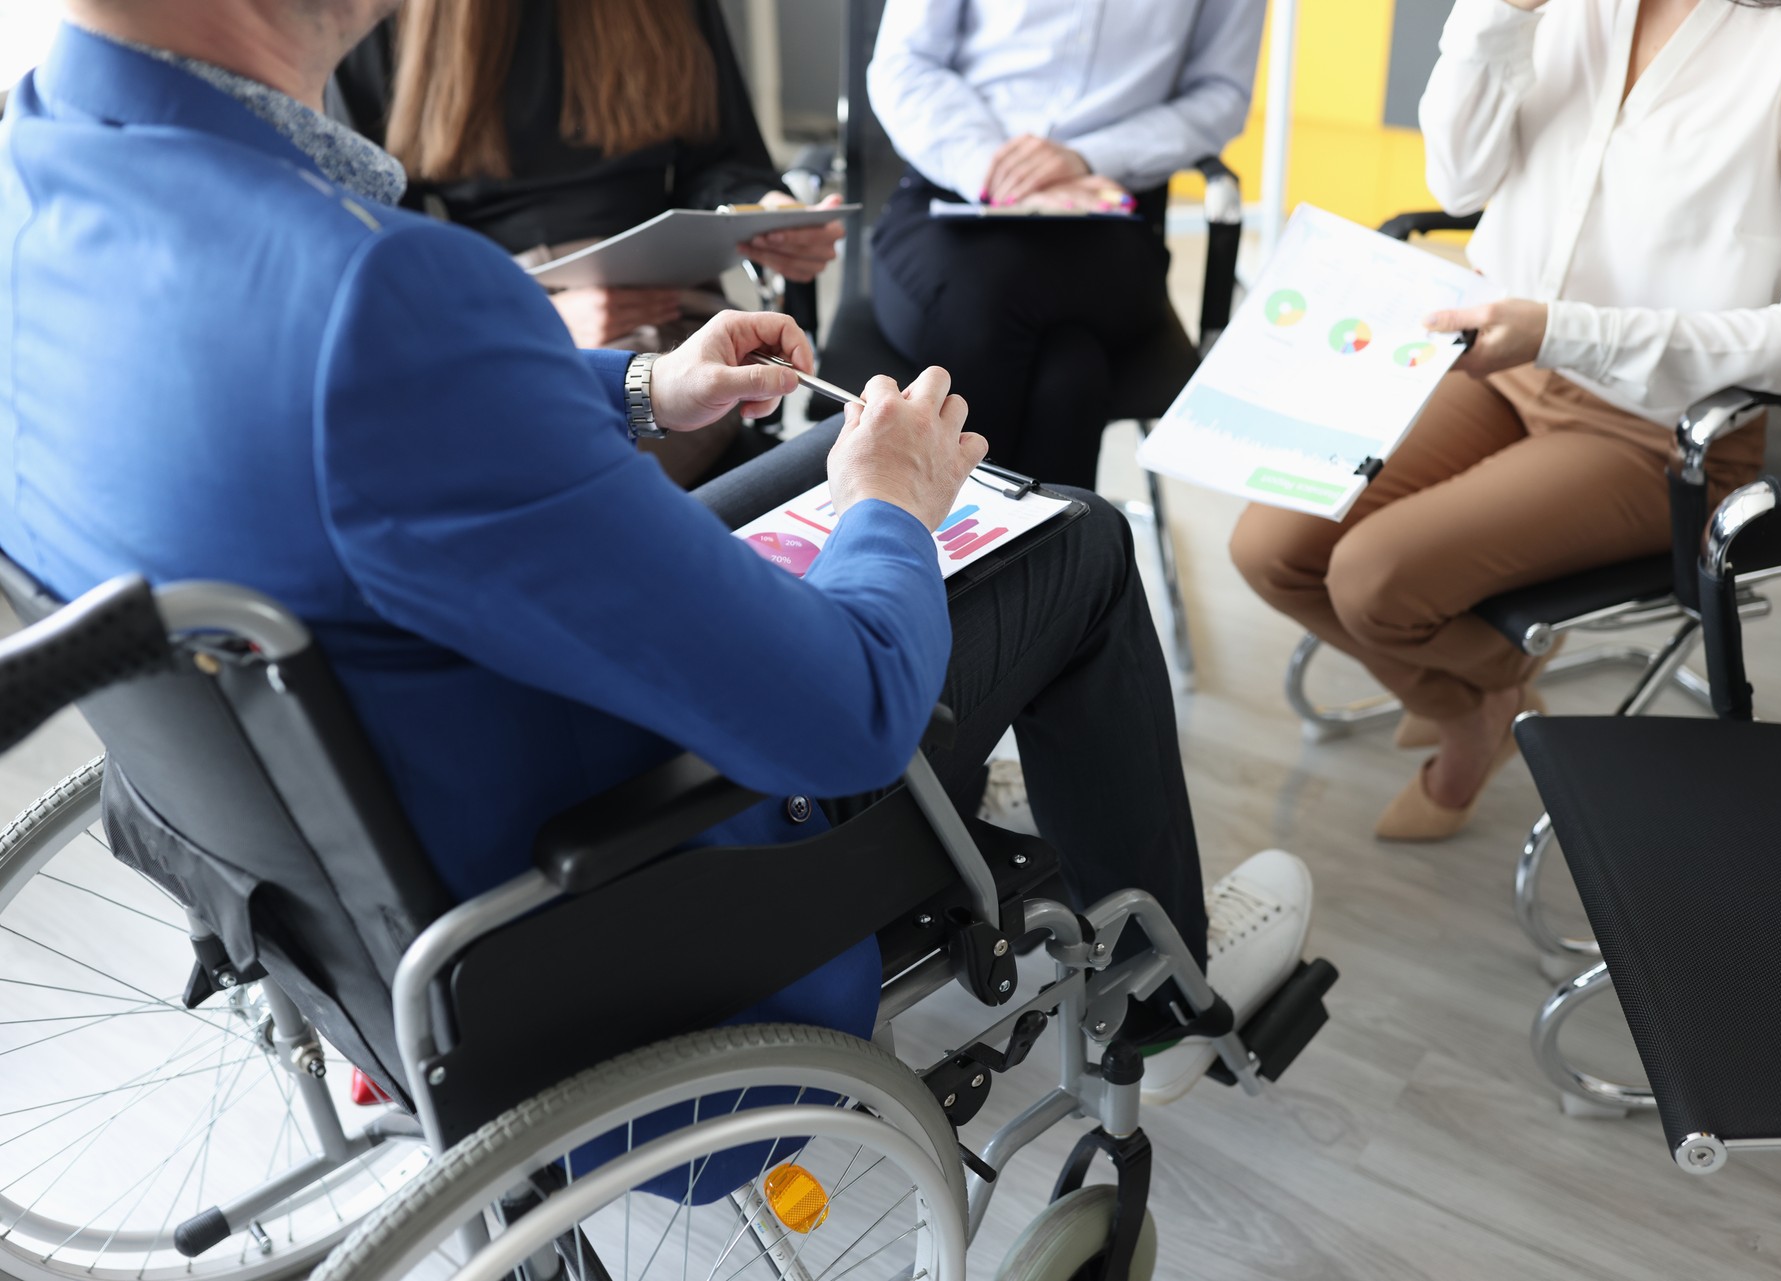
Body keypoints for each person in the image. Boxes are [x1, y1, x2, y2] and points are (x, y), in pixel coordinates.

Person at [1, 1, 1310, 1105]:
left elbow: (374, 432)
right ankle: (1166, 978)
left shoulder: (47, 162)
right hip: (610, 914)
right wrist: (891, 508)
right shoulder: (381, 301)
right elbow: (846, 715)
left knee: (838, 452)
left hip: (337, 856)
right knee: (1066, 534)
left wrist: (637, 390)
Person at [1230, 0, 1781, 841]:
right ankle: (1479, 700)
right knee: (1268, 550)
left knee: (1375, 581)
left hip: (1656, 429)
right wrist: (1499, 14)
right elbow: (1456, 180)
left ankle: (1471, 713)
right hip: (1498, 366)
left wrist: (1564, 330)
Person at [329, 0, 845, 486]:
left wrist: (767, 211)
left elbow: (721, 159)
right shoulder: (377, 15)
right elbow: (378, 248)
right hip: (487, 313)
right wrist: (529, 315)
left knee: (553, 465)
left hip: (668, 310)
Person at [864, 0, 1266, 491]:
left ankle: (941, 547)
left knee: (992, 300)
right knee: (1070, 375)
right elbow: (905, 62)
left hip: (1104, 213)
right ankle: (1058, 562)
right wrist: (992, 166)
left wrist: (1086, 157)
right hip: (953, 188)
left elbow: (1220, 95)